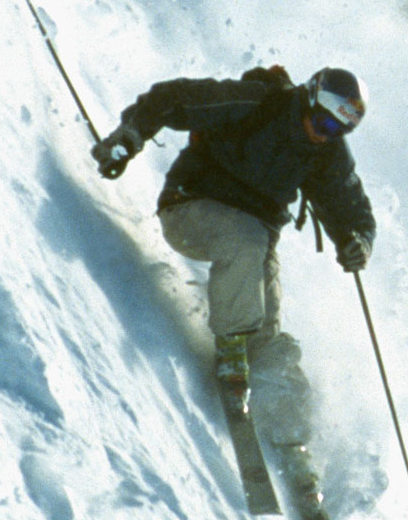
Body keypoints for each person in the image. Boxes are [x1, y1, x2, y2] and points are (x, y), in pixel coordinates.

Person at [91, 66, 378, 413]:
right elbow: (171, 99)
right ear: (309, 100)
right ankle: (231, 351)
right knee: (246, 245)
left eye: (339, 131)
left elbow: (355, 211)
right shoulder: (259, 103)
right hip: (191, 207)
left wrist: (357, 242)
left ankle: (288, 425)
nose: (325, 135)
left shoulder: (327, 153)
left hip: (256, 238)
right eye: (324, 123)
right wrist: (129, 136)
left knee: (265, 330)